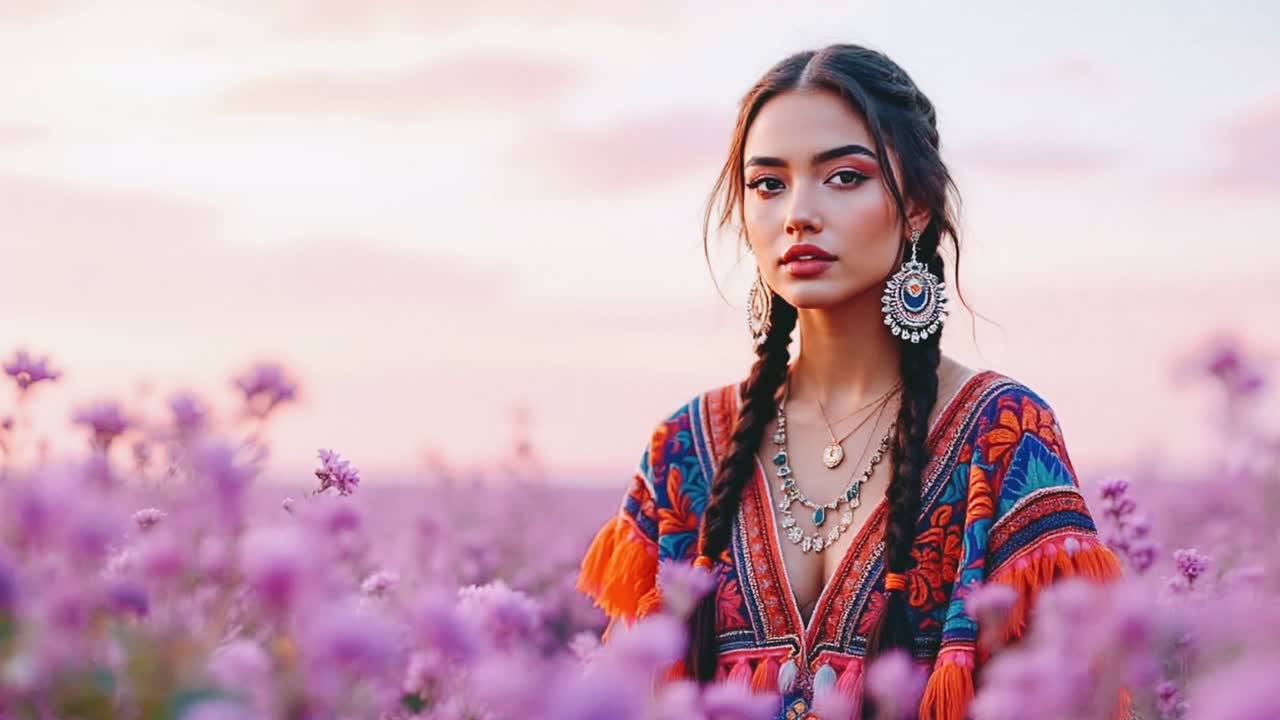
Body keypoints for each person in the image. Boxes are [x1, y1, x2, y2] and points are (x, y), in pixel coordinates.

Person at [577, 43, 1126, 720]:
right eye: (768, 184)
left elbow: (1071, 698)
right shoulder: (687, 450)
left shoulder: (1002, 432)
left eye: (843, 177)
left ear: (918, 206)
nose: (798, 213)